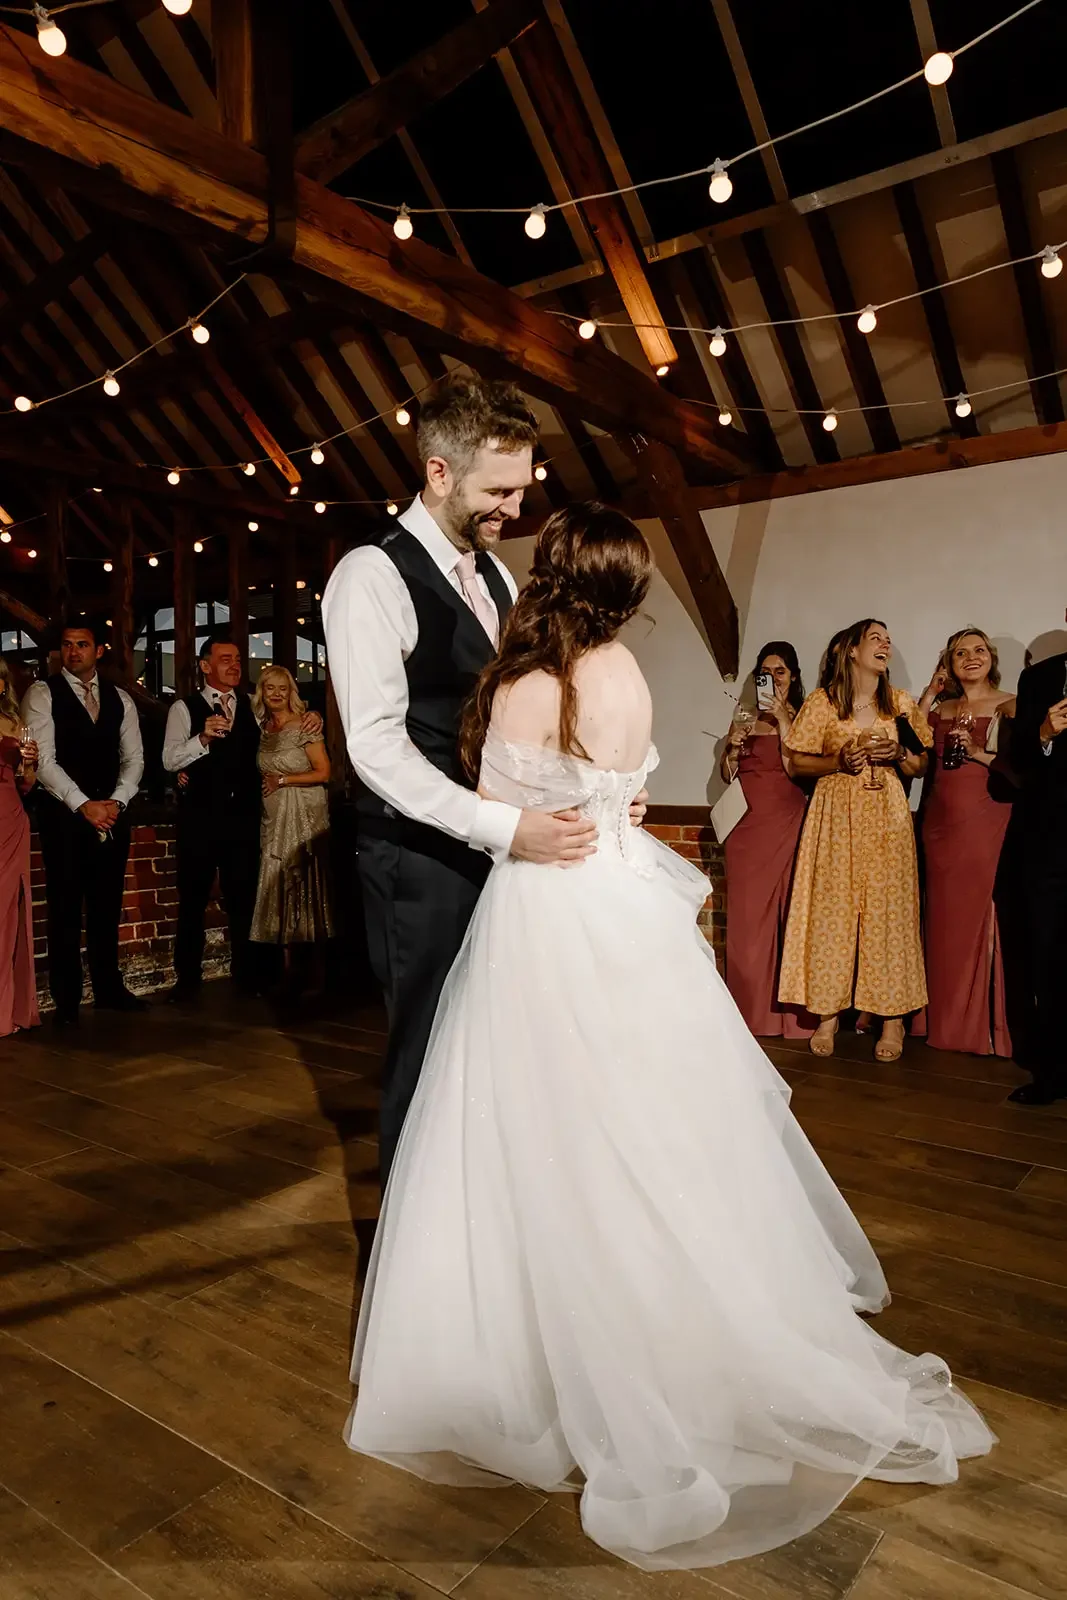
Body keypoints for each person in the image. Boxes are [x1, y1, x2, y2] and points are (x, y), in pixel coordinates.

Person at [343, 507, 993, 1573]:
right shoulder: (622, 678)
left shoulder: (514, 684)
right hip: (616, 903)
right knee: (646, 1126)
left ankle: (521, 1352)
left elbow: (500, 803)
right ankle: (671, 1328)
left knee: (527, 1130)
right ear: (623, 593)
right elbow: (625, 795)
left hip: (534, 911)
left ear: (546, 578)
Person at [322, 377, 645, 1187]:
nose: (513, 506)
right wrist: (504, 829)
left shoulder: (497, 578)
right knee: (428, 1049)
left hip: (504, 852)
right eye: (496, 490)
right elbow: (374, 747)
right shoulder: (371, 575)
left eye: (522, 486)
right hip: (416, 859)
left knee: (497, 1045)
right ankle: (413, 1239)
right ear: (438, 473)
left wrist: (596, 793)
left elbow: (522, 719)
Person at [779, 619, 932, 1063]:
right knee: (833, 910)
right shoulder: (824, 703)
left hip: (886, 817)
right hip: (834, 816)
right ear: (850, 650)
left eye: (888, 638)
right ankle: (828, 1014)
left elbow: (922, 765)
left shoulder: (900, 705)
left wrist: (899, 754)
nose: (886, 644)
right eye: (875, 638)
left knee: (889, 914)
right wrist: (837, 759)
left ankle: (893, 1019)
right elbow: (798, 762)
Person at [164, 630, 322, 1000]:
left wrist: (311, 714)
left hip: (243, 819)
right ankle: (187, 982)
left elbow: (287, 717)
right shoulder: (183, 709)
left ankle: (250, 977)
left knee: (246, 900)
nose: (235, 666)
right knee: (192, 901)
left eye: (238, 660)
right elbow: (169, 759)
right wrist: (201, 741)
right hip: (200, 819)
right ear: (205, 667)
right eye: (225, 660)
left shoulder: (254, 706)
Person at [21, 617, 145, 1025]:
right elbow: (44, 761)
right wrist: (83, 805)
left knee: (107, 905)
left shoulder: (119, 698)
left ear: (99, 650)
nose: (74, 651)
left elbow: (134, 759)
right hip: (65, 817)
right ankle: (68, 998)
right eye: (68, 645)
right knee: (66, 906)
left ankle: (109, 988)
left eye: (83, 644)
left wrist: (116, 802)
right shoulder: (43, 693)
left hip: (111, 816)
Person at [919, 629, 1016, 1058]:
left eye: (978, 650)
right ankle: (940, 1020)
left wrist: (978, 751)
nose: (970, 657)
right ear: (949, 663)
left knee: (980, 915)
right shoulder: (943, 708)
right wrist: (927, 697)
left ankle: (985, 1026)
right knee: (942, 922)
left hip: (986, 818)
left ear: (991, 659)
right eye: (961, 652)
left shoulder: (1011, 704)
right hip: (939, 823)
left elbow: (1022, 768)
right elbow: (915, 753)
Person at [720, 641, 812, 1038]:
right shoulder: (743, 716)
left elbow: (801, 769)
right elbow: (727, 776)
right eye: (766, 672)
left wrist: (783, 720)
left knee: (790, 913)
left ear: (793, 678)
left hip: (788, 821)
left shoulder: (806, 716)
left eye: (780, 672)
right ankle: (747, 1012)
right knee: (745, 919)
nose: (773, 678)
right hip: (745, 828)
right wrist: (732, 750)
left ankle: (791, 1017)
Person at [1010, 615, 1067, 1103]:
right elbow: (1016, 757)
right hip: (1050, 844)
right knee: (1047, 959)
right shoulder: (1039, 679)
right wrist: (1044, 732)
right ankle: (1051, 1074)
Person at [249, 665, 334, 987]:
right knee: (278, 879)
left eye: (282, 688)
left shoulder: (305, 726)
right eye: (270, 687)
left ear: (291, 692)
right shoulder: (263, 727)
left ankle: (316, 972)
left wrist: (283, 779)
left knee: (306, 880)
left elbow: (324, 772)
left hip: (304, 813)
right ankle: (284, 971)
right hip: (273, 816)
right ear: (262, 691)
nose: (276, 694)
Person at [0, 658, 39, 1036]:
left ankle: (6, 1008)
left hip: (10, 821)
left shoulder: (14, 724)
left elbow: (27, 785)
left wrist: (31, 763)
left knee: (6, 915)